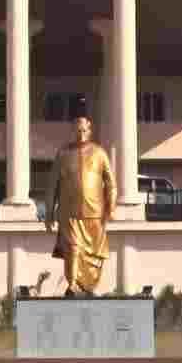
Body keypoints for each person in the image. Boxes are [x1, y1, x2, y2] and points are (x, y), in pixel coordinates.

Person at [44, 116, 116, 297]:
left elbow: (111, 184)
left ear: (90, 131)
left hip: (95, 213)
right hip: (69, 213)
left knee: (94, 256)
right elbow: (52, 186)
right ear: (73, 131)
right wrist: (49, 213)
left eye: (84, 130)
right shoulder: (63, 154)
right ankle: (73, 284)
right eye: (78, 130)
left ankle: (87, 287)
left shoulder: (99, 153)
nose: (81, 134)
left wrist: (111, 207)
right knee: (73, 249)